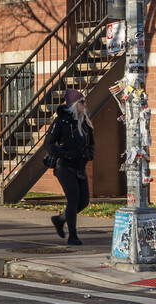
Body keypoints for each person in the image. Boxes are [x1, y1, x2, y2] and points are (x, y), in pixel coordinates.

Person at [44, 88, 95, 246]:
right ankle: (73, 236)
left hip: (80, 166)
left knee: (84, 201)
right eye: (82, 102)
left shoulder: (85, 122)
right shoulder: (61, 122)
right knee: (73, 199)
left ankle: (60, 219)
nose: (85, 105)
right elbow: (48, 144)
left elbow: (91, 143)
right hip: (64, 167)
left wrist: (89, 154)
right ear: (74, 104)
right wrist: (65, 154)